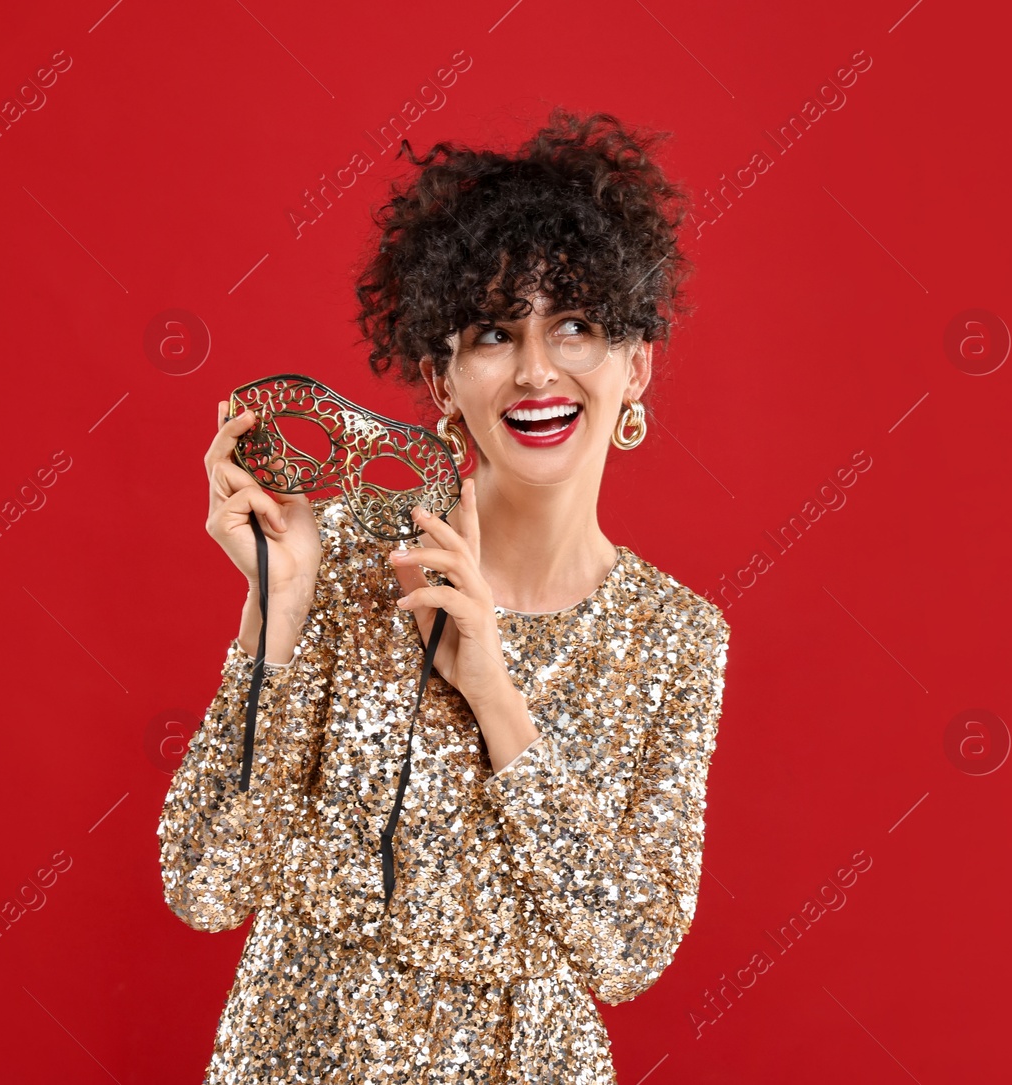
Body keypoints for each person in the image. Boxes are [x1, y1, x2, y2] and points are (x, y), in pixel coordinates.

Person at [157, 109, 731, 1083]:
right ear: (441, 376)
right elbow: (204, 882)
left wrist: (493, 695)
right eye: (493, 334)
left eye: (578, 326)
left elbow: (628, 949)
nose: (538, 368)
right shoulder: (338, 557)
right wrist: (278, 610)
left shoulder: (677, 636)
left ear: (637, 365)